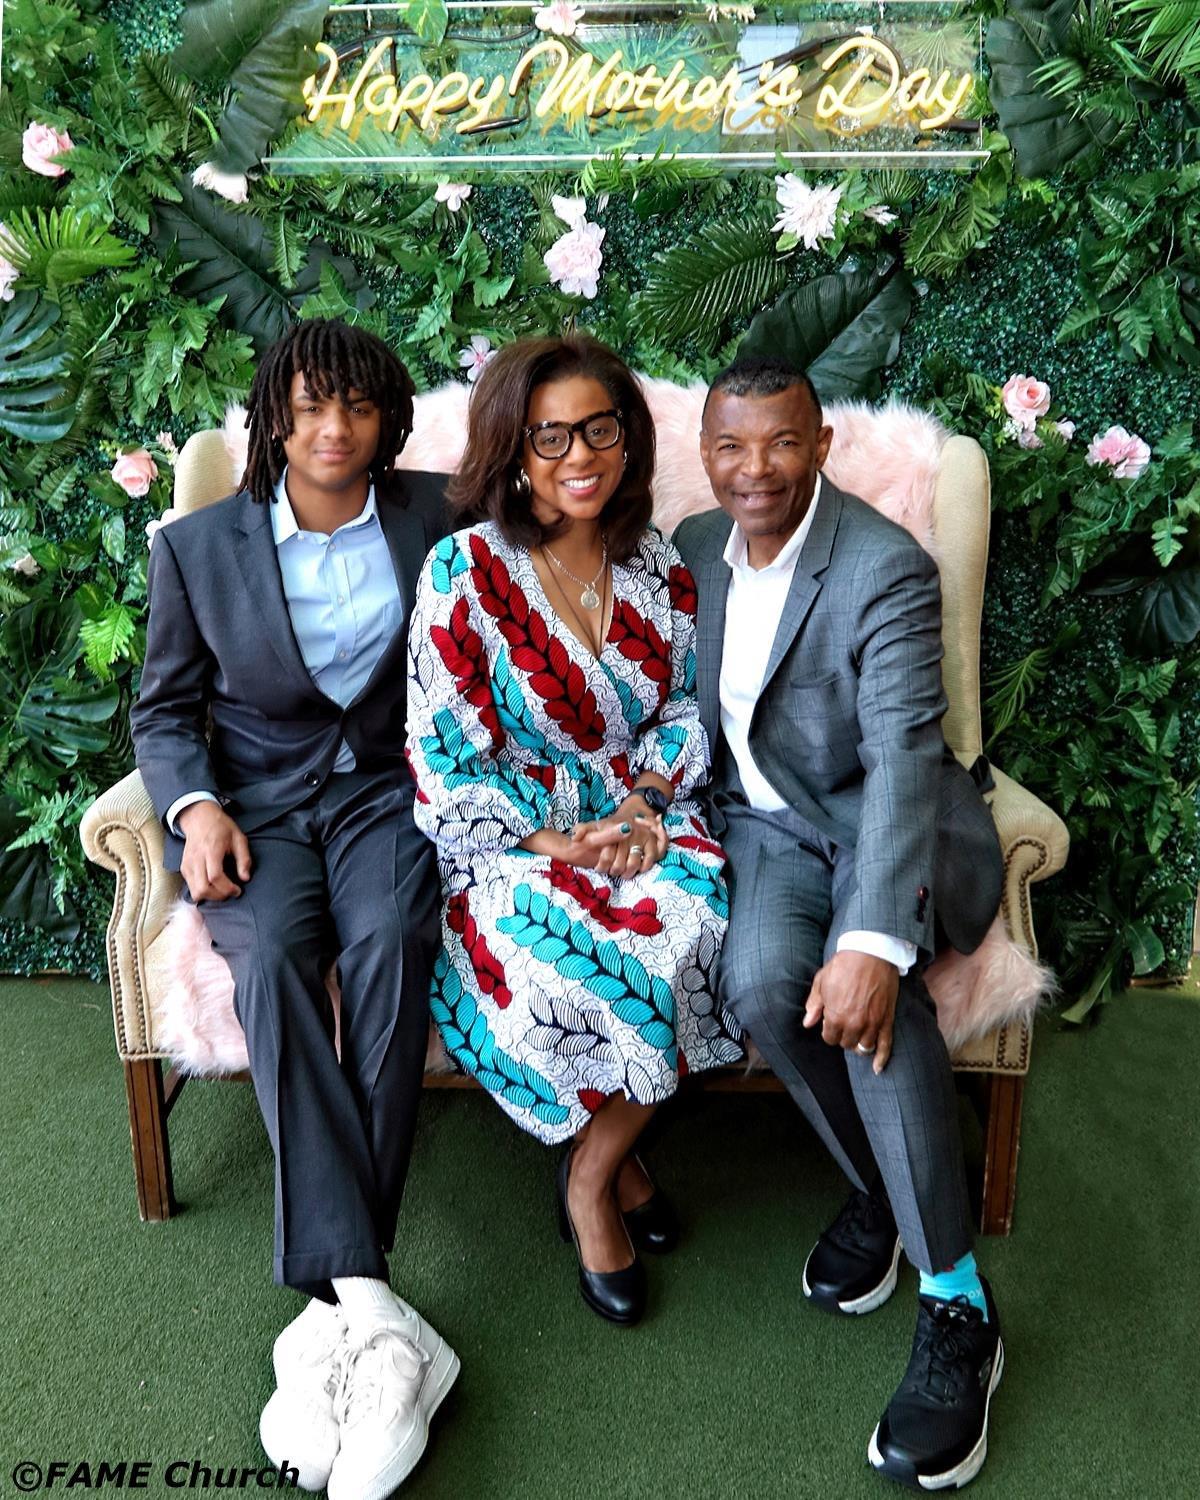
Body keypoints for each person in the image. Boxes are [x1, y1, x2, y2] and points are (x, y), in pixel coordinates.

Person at [131, 319, 458, 1500]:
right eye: (311, 405)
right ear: (274, 414)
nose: (334, 429)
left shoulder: (440, 517)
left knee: (393, 941)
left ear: (388, 421)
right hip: (258, 809)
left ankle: (334, 1316)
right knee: (268, 957)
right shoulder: (196, 547)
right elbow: (164, 711)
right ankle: (377, 1313)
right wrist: (195, 809)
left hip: (385, 797)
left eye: (357, 407)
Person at [674, 357, 1006, 1492]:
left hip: (879, 822)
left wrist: (870, 943)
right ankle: (888, 1189)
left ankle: (959, 1303)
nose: (755, 468)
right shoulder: (691, 553)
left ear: (820, 445)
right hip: (767, 832)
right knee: (765, 989)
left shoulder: (883, 566)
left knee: (872, 1003)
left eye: (781, 442)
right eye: (731, 445)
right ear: (707, 453)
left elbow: (906, 761)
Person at [405, 335, 742, 1327]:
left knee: (697, 930)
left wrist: (644, 804)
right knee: (558, 960)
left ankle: (590, 1172)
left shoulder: (659, 565)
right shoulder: (462, 571)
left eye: (600, 429)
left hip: (647, 815)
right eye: (550, 436)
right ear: (513, 450)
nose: (579, 455)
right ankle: (618, 1170)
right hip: (508, 837)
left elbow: (683, 709)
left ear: (628, 439)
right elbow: (442, 748)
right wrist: (554, 842)